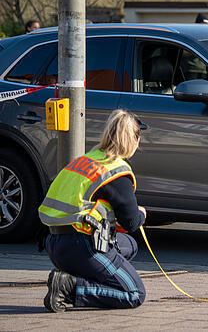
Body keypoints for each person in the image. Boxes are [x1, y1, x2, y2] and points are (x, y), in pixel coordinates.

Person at [38, 110, 146, 312]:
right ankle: (70, 287)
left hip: (54, 245)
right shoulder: (116, 171)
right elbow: (131, 222)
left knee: (129, 246)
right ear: (133, 140)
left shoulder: (84, 160)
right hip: (82, 246)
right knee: (135, 294)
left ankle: (80, 275)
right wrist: (142, 214)